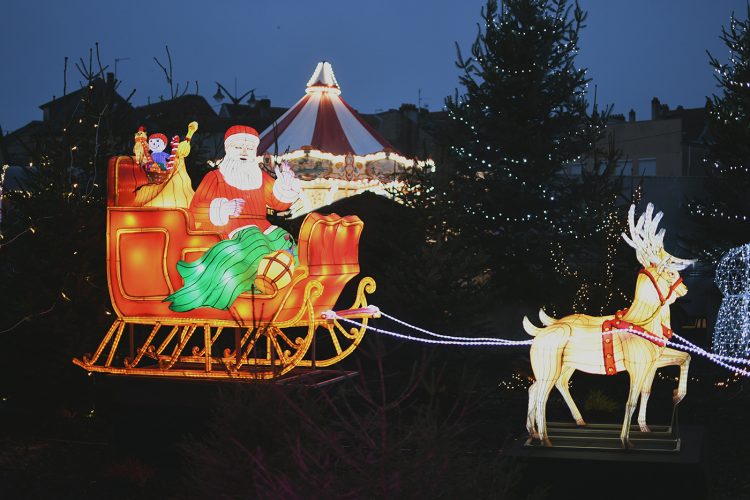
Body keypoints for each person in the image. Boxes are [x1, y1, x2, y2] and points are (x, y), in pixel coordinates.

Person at [166, 125, 301, 312]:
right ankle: (254, 290)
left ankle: (287, 290)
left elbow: (278, 203)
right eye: (239, 147)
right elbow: (196, 210)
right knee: (256, 243)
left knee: (286, 241)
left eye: (249, 148)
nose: (244, 152)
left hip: (263, 226)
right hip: (232, 229)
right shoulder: (215, 178)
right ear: (229, 149)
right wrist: (222, 208)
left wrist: (285, 187)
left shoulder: (258, 177)